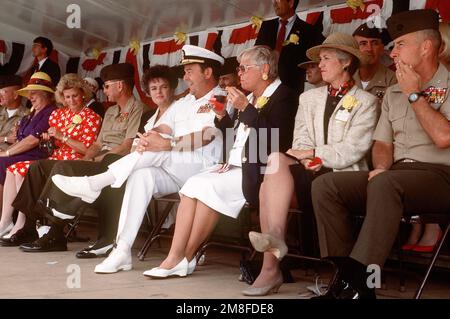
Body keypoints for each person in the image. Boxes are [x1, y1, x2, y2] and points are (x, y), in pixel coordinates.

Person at [310, 9, 450, 299]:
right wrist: (382, 166)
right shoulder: (394, 92)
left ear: (426, 47)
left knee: (386, 183)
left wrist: (415, 95)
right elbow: (383, 143)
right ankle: (346, 278)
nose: (393, 52)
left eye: (400, 44)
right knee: (326, 185)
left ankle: (362, 283)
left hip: (441, 177)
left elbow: (443, 137)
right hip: (397, 177)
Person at [49, 45, 224, 274]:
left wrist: (166, 143)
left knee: (158, 149)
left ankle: (95, 183)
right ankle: (122, 250)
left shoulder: (220, 97)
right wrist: (149, 137)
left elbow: (208, 135)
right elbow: (164, 125)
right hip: (175, 168)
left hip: (202, 168)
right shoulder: (185, 101)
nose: (185, 76)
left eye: (190, 71)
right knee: (141, 175)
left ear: (208, 73)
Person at [143, 45, 298, 279]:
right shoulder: (249, 98)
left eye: (245, 68)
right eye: (239, 68)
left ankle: (184, 257)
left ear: (265, 69)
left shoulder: (283, 95)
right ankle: (177, 257)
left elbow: (274, 140)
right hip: (234, 164)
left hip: (261, 170)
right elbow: (234, 136)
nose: (240, 73)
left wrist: (245, 109)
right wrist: (222, 117)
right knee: (192, 185)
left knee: (206, 187)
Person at [244, 33, 379, 296]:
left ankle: (270, 266)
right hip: (309, 171)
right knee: (274, 159)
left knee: (266, 188)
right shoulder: (309, 99)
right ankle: (275, 243)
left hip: (343, 175)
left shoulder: (366, 102)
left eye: (326, 59)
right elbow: (300, 139)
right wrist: (308, 158)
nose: (320, 64)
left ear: (346, 63)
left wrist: (316, 154)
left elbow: (354, 148)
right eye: (320, 59)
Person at [6, 63, 144, 249]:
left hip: (113, 163)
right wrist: (87, 158)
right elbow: (96, 144)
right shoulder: (111, 111)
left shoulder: (137, 108)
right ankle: (29, 226)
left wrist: (92, 159)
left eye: (106, 86)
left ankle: (54, 233)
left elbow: (127, 145)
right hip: (94, 158)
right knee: (36, 166)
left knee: (62, 167)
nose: (103, 90)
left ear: (120, 85)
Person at [72, 64, 179, 258]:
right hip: (151, 168)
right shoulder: (151, 117)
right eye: (154, 88)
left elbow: (183, 139)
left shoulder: (180, 108)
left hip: (174, 167)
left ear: (172, 88)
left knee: (114, 165)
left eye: (163, 87)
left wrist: (148, 145)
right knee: (131, 174)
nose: (159, 92)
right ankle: (120, 247)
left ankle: (92, 188)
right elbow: (137, 143)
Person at [0, 74, 101, 240]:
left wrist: (63, 137)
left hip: (74, 162)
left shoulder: (92, 117)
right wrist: (49, 140)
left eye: (75, 95)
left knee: (24, 169)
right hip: (54, 157)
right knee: (14, 169)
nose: (71, 100)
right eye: (67, 97)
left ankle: (23, 223)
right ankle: (8, 221)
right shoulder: (58, 115)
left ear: (83, 93)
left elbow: (87, 149)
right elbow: (50, 145)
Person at [0, 72, 57, 223]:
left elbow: (32, 141)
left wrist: (6, 153)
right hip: (25, 153)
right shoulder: (31, 114)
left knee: (2, 163)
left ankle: (9, 219)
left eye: (34, 93)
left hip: (37, 155)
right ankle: (5, 219)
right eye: (29, 94)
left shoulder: (50, 112)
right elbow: (21, 140)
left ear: (45, 94)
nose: (30, 97)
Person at [255, 0, 324, 96]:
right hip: (264, 85)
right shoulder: (266, 27)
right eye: (273, 0)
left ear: (291, 3)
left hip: (292, 89)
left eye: (278, 0)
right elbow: (256, 55)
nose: (274, 3)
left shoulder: (309, 31)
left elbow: (318, 55)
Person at [352, 22, 397, 102]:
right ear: (354, 49)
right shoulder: (346, 76)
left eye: (374, 43)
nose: (369, 49)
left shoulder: (393, 80)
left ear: (382, 49)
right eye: (363, 44)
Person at [0, 75, 29, 150]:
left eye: (3, 93)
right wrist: (5, 139)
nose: (0, 96)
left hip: (7, 156)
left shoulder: (27, 115)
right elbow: (10, 139)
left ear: (15, 95)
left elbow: (22, 142)